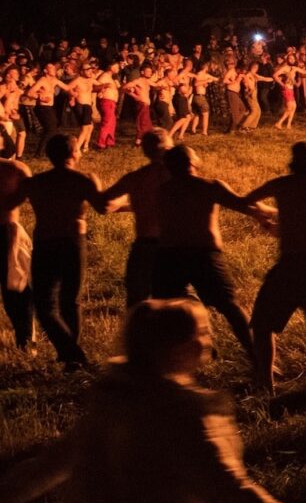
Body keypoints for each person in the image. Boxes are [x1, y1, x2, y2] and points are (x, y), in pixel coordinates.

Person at [0, 300, 306, 503]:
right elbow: (228, 492)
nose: (207, 342)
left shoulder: (112, 402)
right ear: (179, 348)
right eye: (202, 334)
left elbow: (44, 468)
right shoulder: (183, 416)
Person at [151, 144, 273, 371]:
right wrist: (272, 213)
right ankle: (258, 359)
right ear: (193, 162)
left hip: (168, 255)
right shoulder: (209, 186)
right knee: (230, 307)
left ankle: (172, 360)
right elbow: (242, 204)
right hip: (203, 254)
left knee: (169, 307)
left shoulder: (162, 191)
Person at [242, 142, 306, 391]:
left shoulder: (280, 184)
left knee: (263, 323)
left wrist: (268, 217)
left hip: (290, 263)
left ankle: (265, 381)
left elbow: (246, 201)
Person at [0, 135, 107, 369]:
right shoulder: (83, 179)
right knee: (71, 300)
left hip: (45, 242)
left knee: (45, 303)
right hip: (72, 241)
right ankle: (73, 354)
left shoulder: (35, 183)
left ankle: (69, 354)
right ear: (74, 154)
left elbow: (8, 204)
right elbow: (103, 207)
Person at [102, 130, 170, 307]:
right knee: (174, 298)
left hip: (146, 243)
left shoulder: (136, 178)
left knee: (137, 299)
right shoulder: (180, 177)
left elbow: (104, 202)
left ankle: (140, 332)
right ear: (169, 147)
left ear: (145, 150)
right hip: (175, 243)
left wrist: (128, 203)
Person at [0, 142, 31, 351]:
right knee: (16, 288)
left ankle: (26, 340)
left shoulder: (15, 169)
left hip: (8, 231)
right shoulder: (15, 168)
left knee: (16, 285)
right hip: (7, 230)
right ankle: (26, 340)